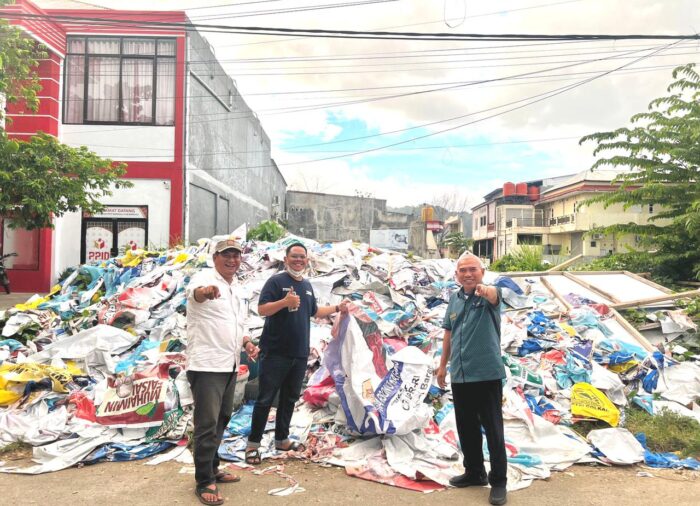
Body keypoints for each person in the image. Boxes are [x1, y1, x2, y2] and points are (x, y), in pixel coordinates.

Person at [245, 242, 348, 464]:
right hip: (275, 352)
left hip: (299, 353)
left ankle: (282, 439)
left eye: (302, 257)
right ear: (286, 258)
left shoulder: (307, 285)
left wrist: (338, 308)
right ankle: (253, 445)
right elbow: (262, 309)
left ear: (307, 259)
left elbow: (315, 311)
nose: (298, 260)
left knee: (290, 398)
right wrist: (284, 302)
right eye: (294, 256)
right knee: (265, 399)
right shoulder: (276, 281)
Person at [186, 239, 259, 506]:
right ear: (215, 257)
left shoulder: (235, 288)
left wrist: (248, 343)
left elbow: (238, 323)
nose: (232, 260)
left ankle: (212, 466)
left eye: (236, 256)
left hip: (229, 364)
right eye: (226, 255)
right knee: (206, 423)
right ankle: (204, 480)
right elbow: (196, 294)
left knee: (222, 418)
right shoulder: (204, 278)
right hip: (206, 365)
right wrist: (206, 291)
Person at [436, 253, 508, 506]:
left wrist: (486, 289)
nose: (467, 274)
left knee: (493, 429)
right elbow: (448, 333)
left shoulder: (490, 294)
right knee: (466, 427)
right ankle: (474, 472)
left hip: (487, 374)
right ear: (456, 275)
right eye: (462, 270)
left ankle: (499, 481)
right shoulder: (454, 300)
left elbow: (495, 296)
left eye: (472, 270)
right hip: (461, 374)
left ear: (482, 271)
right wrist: (443, 366)